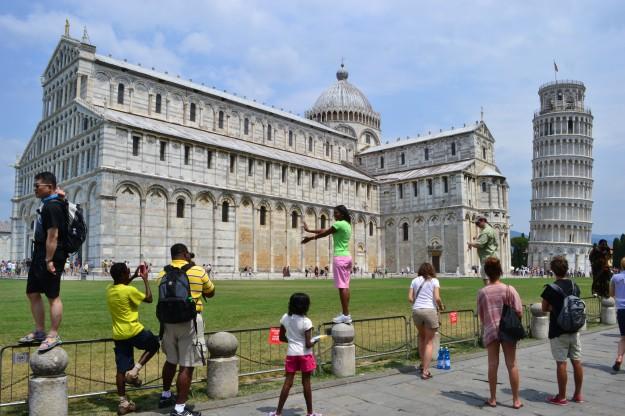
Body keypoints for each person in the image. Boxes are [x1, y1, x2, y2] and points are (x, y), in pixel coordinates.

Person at [158, 244, 215, 416]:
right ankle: (180, 408)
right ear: (184, 254)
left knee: (170, 360)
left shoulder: (163, 272)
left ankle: (165, 395)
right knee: (187, 365)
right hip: (190, 322)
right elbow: (211, 291)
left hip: (167, 322)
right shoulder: (197, 271)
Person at [19, 172, 69, 353]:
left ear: (49, 187)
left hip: (51, 254)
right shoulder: (51, 202)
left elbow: (53, 236)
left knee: (52, 295)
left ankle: (53, 335)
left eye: (37, 186)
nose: (34, 189)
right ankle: (40, 331)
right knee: (32, 292)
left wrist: (49, 260)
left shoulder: (53, 206)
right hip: (40, 252)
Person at [107, 262, 160, 415]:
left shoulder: (110, 290)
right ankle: (135, 371)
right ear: (123, 274)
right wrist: (144, 279)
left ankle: (123, 403)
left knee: (120, 369)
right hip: (134, 330)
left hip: (118, 334)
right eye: (127, 271)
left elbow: (121, 285)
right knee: (154, 344)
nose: (129, 272)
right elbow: (149, 298)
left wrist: (133, 276)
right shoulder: (129, 290)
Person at [477, 257, 523, 409]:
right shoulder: (510, 289)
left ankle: (493, 398)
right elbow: (519, 311)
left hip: (491, 330)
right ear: (500, 271)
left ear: (487, 273)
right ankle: (516, 400)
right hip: (508, 330)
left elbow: (482, 315)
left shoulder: (482, 292)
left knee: (492, 364)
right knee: (512, 364)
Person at [269, 293, 322, 416]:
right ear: (305, 306)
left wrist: (292, 341)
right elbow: (308, 344)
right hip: (305, 354)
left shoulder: (285, 318)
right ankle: (310, 413)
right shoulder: (306, 321)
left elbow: (282, 337)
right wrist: (315, 340)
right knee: (306, 383)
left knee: (287, 382)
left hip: (292, 353)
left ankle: (278, 412)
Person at [541, 255, 584, 405]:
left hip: (558, 330)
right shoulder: (574, 285)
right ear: (567, 269)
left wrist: (555, 308)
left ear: (553, 270)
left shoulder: (551, 288)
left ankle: (562, 397)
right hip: (574, 329)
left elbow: (544, 308)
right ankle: (578, 394)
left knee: (561, 363)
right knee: (577, 362)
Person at [302, 205, 353, 324]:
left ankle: (346, 314)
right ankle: (346, 313)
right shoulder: (347, 225)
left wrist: (310, 238)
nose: (334, 215)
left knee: (342, 287)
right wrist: (309, 230)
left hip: (340, 257)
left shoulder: (340, 224)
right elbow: (325, 230)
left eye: (336, 213)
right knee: (345, 286)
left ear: (342, 214)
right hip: (347, 257)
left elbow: (325, 233)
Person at [408, 262, 444, 379]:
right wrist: (441, 305)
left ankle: (423, 363)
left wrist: (418, 303)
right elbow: (437, 298)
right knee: (429, 342)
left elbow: (410, 298)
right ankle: (425, 371)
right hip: (429, 311)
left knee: (422, 338)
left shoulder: (414, 281)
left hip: (417, 311)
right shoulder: (434, 281)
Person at [467, 216, 499, 285]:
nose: (477, 225)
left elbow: (480, 244)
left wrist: (470, 243)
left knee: (486, 279)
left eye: (477, 223)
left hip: (487, 258)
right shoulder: (491, 229)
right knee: (494, 279)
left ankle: (489, 294)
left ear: (483, 221)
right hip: (494, 257)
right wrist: (478, 237)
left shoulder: (485, 232)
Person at [609, 257, 625, 371]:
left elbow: (611, 293)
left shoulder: (615, 277)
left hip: (621, 309)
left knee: (623, 337)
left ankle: (619, 357)